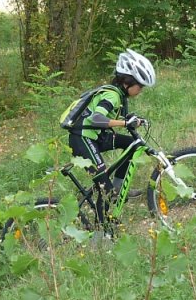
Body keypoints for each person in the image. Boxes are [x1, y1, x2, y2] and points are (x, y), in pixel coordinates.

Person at [67, 49, 156, 198]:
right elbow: (97, 119)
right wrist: (124, 123)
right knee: (104, 188)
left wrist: (135, 121)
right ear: (127, 82)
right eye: (140, 86)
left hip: (95, 137)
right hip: (83, 139)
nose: (140, 90)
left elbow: (121, 118)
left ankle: (118, 187)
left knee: (130, 144)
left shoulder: (119, 96)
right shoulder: (112, 95)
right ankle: (103, 219)